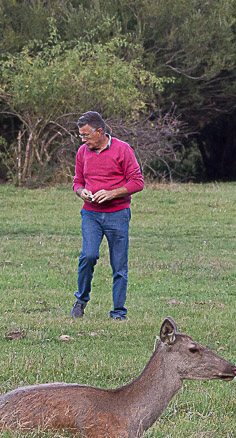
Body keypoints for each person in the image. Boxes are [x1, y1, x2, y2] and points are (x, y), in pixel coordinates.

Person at [70, 111, 144, 321]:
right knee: (88, 255)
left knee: (119, 264)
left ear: (100, 131)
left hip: (118, 214)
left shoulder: (123, 149)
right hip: (91, 214)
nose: (83, 140)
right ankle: (81, 300)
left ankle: (118, 313)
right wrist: (81, 192)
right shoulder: (83, 152)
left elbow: (137, 182)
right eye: (81, 136)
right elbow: (77, 182)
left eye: (86, 135)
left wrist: (112, 193)